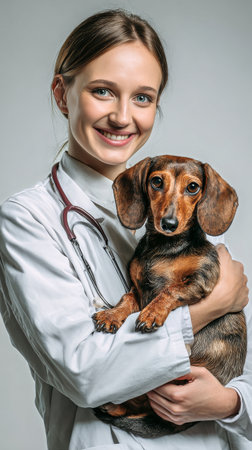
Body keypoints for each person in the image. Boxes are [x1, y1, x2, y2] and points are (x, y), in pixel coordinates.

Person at [0, 9, 250, 450]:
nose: (121, 116)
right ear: (63, 94)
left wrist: (229, 403)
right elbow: (83, 374)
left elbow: (238, 360)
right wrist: (207, 309)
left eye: (142, 97)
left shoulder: (191, 214)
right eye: (102, 91)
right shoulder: (28, 220)